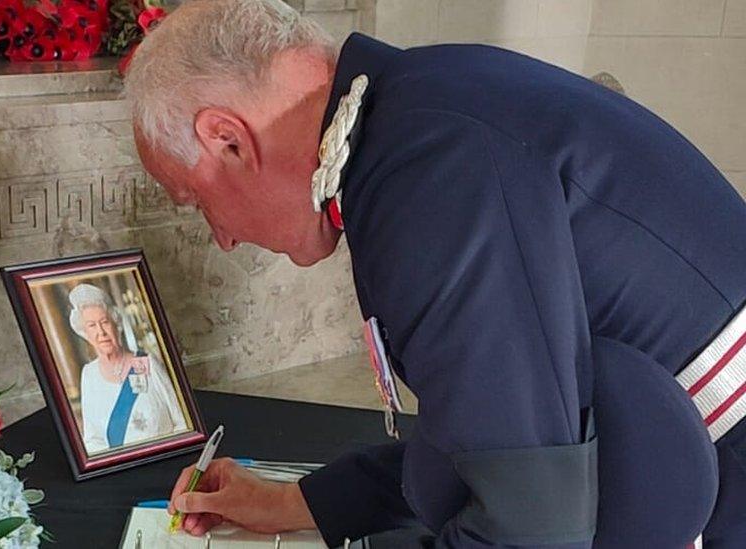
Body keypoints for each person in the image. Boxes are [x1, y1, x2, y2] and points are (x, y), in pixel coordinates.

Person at [124, 0, 746, 547]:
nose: (224, 239)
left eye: (197, 201)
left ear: (228, 138)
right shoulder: (421, 109)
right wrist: (303, 504)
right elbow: (492, 436)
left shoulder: (427, 173)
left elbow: (532, 529)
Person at [68, 283, 187, 454]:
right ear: (85, 334)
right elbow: (93, 441)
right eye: (92, 326)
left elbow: (182, 421)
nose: (101, 332)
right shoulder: (89, 375)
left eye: (105, 322)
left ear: (117, 325)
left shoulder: (147, 363)